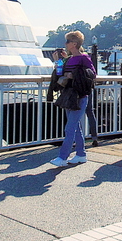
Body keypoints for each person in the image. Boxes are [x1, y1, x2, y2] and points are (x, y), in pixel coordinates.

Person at [50, 31, 97, 167]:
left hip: (79, 96)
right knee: (75, 127)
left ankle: (63, 157)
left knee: (70, 128)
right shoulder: (69, 59)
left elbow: (92, 74)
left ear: (74, 44)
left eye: (67, 42)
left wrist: (73, 74)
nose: (65, 44)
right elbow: (59, 73)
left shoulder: (84, 58)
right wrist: (58, 61)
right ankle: (81, 154)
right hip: (68, 95)